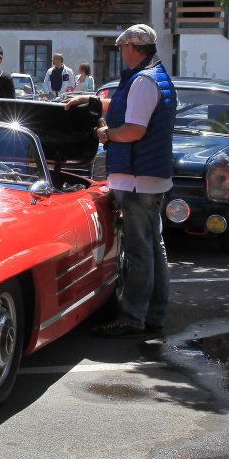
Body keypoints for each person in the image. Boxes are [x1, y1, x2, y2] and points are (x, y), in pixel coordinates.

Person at [91, 24, 177, 338]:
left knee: (140, 251)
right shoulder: (156, 76)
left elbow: (133, 130)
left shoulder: (142, 81)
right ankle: (154, 314)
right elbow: (133, 112)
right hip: (149, 176)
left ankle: (132, 317)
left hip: (138, 177)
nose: (121, 54)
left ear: (131, 48)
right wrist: (93, 101)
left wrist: (106, 134)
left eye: (121, 48)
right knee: (153, 247)